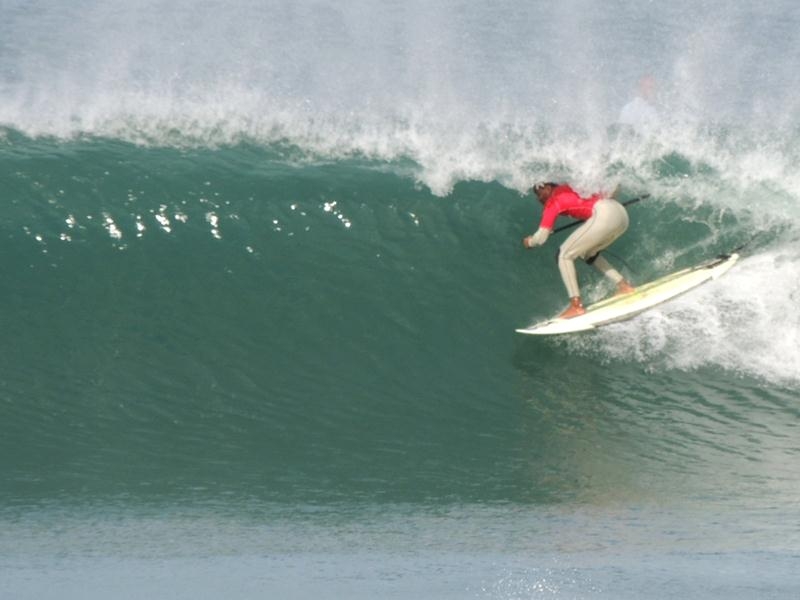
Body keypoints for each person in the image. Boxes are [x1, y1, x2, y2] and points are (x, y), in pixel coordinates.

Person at [522, 182, 635, 319]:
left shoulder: (553, 201)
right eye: (537, 195)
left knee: (563, 255)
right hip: (620, 213)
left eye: (540, 192)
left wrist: (529, 241)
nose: (539, 197)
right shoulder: (571, 187)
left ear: (549, 188)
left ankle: (576, 306)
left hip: (604, 214)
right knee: (588, 254)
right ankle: (624, 286)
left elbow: (541, 238)